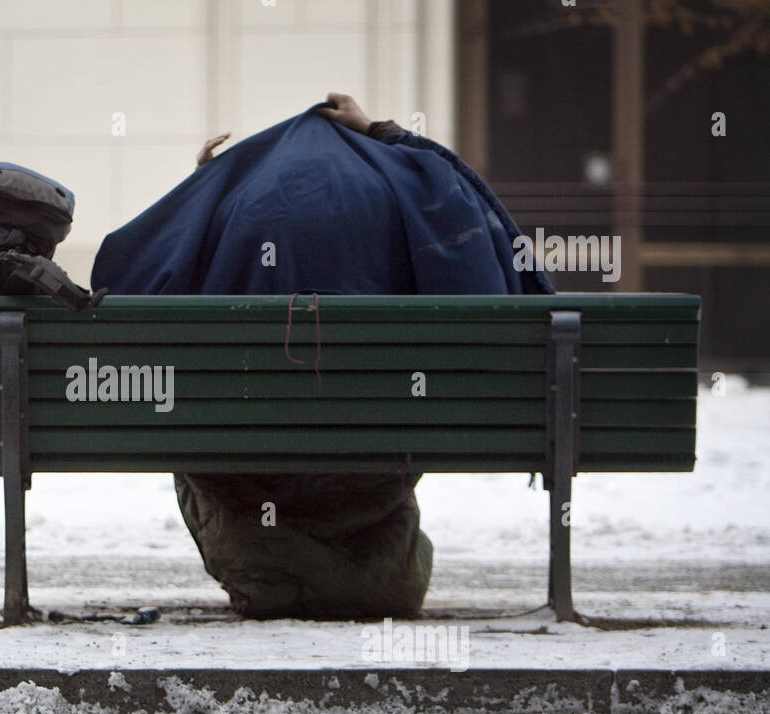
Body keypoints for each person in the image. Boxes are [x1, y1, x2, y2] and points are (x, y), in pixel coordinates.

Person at [93, 93, 551, 621]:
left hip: (246, 461)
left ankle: (273, 572)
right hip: (372, 467)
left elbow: (136, 281)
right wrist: (387, 134)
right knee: (364, 451)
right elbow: (471, 221)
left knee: (208, 435)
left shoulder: (239, 218)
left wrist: (207, 193)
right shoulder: (406, 218)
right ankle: (340, 575)